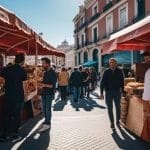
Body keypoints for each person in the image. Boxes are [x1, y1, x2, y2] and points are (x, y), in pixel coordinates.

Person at [0, 53, 27, 141]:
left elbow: (1, 80)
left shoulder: (6, 69)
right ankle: (14, 134)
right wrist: (25, 96)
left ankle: (4, 135)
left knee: (6, 115)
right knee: (16, 116)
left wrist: (5, 85)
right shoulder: (23, 71)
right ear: (22, 61)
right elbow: (24, 85)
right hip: (18, 97)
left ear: (15, 60)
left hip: (8, 96)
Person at [100, 58, 124, 130]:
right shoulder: (106, 72)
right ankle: (112, 123)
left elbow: (122, 82)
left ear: (116, 63)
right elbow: (102, 83)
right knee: (110, 108)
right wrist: (101, 93)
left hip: (117, 92)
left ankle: (118, 121)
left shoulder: (119, 71)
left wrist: (122, 91)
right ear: (109, 63)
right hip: (108, 93)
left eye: (113, 62)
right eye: (110, 62)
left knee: (118, 108)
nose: (112, 64)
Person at [38, 58, 57, 132]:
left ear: (48, 64)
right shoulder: (45, 72)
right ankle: (46, 120)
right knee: (44, 108)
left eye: (43, 63)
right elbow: (44, 83)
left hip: (49, 94)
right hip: (44, 93)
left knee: (47, 109)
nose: (42, 65)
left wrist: (44, 85)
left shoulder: (53, 73)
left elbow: (52, 86)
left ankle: (48, 123)